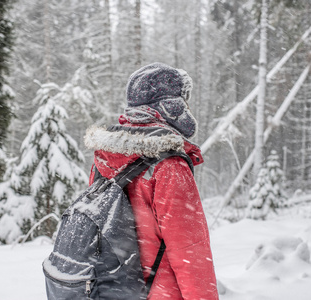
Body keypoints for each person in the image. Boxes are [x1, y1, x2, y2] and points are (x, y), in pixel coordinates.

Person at [84, 62, 219, 300]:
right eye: (182, 100)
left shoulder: (105, 158)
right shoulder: (169, 165)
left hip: (113, 290)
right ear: (171, 107)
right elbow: (189, 251)